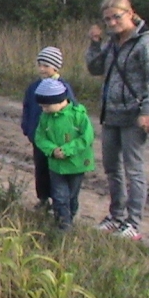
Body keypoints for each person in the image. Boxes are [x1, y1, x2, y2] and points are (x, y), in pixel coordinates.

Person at [86, 0, 149, 240]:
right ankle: (116, 217)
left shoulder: (147, 41)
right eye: (107, 19)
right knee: (112, 168)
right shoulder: (112, 42)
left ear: (130, 13)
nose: (112, 23)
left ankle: (133, 223)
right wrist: (95, 43)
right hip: (111, 114)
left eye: (116, 17)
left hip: (135, 115)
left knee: (134, 170)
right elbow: (95, 68)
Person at [33, 78, 95, 231]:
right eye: (42, 106)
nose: (44, 109)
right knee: (59, 196)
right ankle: (63, 225)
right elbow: (39, 137)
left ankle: (69, 219)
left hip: (76, 165)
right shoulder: (45, 117)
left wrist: (67, 150)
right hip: (56, 166)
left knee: (72, 196)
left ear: (59, 101)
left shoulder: (78, 115)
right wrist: (52, 150)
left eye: (46, 106)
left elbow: (87, 137)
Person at [21, 47, 76, 211]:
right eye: (40, 65)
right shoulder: (33, 87)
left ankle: (59, 202)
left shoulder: (63, 87)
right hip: (39, 138)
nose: (42, 69)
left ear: (56, 67)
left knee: (57, 171)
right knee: (41, 168)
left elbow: (73, 110)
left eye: (46, 66)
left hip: (58, 139)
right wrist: (27, 127)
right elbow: (27, 107)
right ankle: (43, 198)